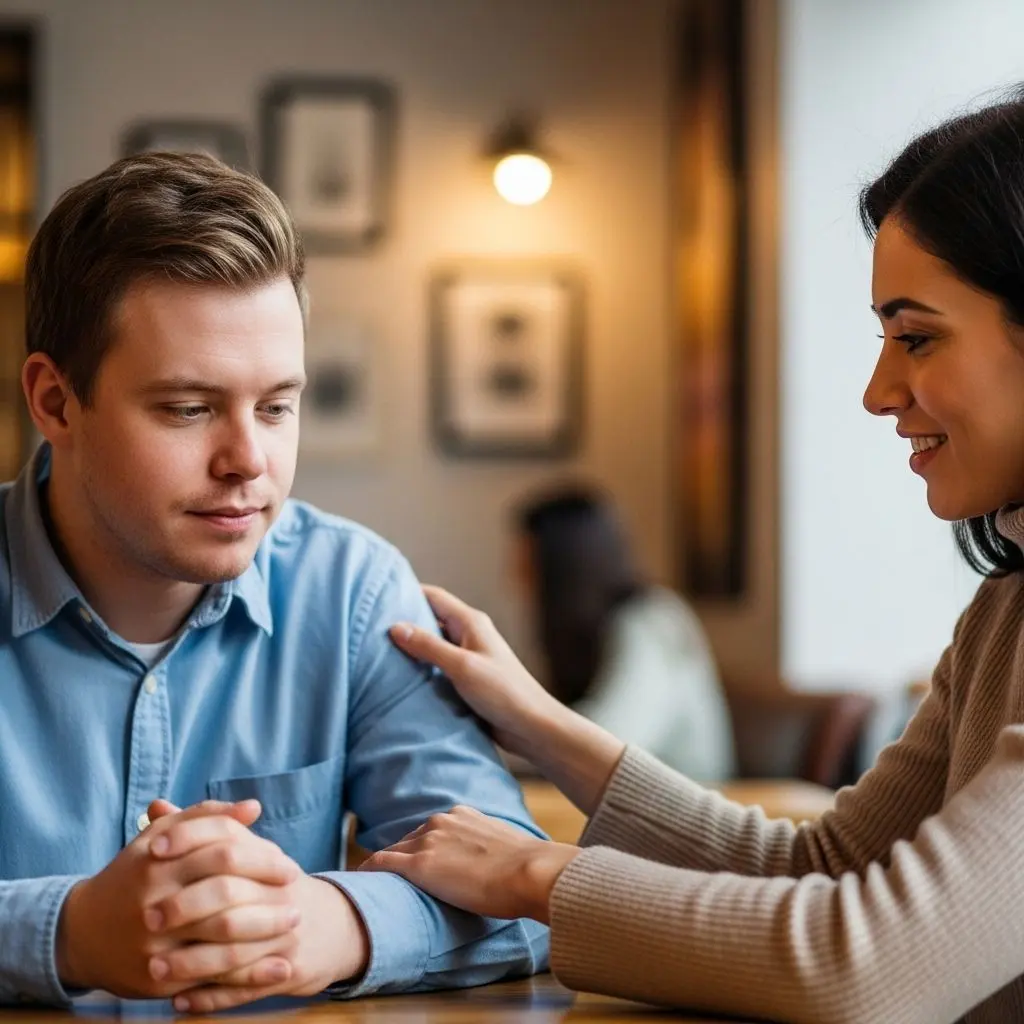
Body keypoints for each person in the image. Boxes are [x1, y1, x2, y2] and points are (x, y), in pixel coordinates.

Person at [364, 88, 1024, 1024]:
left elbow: (867, 964)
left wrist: (533, 875)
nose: (879, 392)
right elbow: (826, 868)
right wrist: (536, 720)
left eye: (916, 337)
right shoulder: (1005, 609)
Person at [0, 152, 547, 1014]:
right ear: (57, 401)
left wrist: (331, 922)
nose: (248, 462)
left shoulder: (352, 594)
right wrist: (67, 933)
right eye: (187, 408)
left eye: (278, 405)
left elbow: (527, 896)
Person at [512, 486, 735, 781]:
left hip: (682, 807)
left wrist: (507, 722)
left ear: (564, 565)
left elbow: (614, 738)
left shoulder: (650, 621)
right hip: (620, 802)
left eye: (527, 560)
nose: (513, 573)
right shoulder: (591, 631)